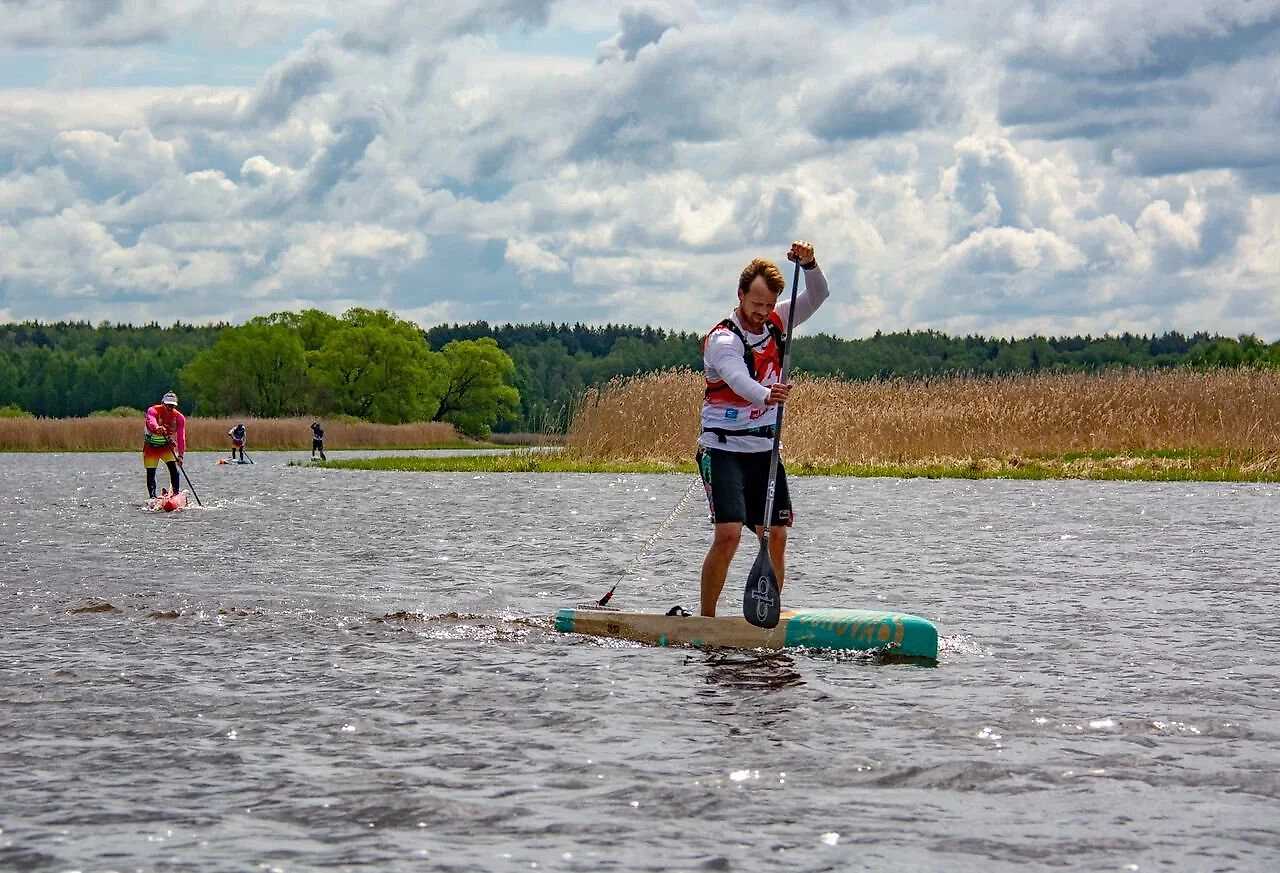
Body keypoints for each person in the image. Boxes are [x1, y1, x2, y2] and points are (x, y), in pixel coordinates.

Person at [696, 240, 829, 617]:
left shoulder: (778, 320)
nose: (762, 312)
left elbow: (819, 294)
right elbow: (738, 381)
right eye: (755, 304)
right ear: (740, 295)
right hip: (722, 449)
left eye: (769, 305)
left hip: (764, 450)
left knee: (776, 537)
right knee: (729, 534)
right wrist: (767, 395)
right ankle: (707, 619)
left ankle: (764, 615)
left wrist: (811, 263)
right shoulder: (722, 339)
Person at [143, 391, 186, 500]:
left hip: (166, 447)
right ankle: (152, 497)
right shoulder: (153, 410)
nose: (169, 408)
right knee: (151, 472)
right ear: (162, 403)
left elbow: (181, 437)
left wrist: (180, 455)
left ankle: (176, 495)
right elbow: (151, 421)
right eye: (167, 405)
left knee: (174, 470)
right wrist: (157, 427)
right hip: (151, 448)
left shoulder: (179, 418)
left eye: (172, 406)